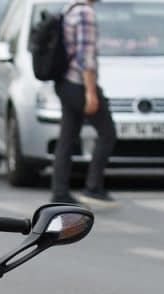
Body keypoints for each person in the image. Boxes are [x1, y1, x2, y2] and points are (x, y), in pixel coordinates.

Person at [51, 0, 117, 207]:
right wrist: (91, 92)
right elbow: (85, 58)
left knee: (67, 137)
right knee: (108, 132)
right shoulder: (85, 13)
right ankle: (94, 187)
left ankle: (60, 192)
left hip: (64, 82)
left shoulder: (69, 8)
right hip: (79, 84)